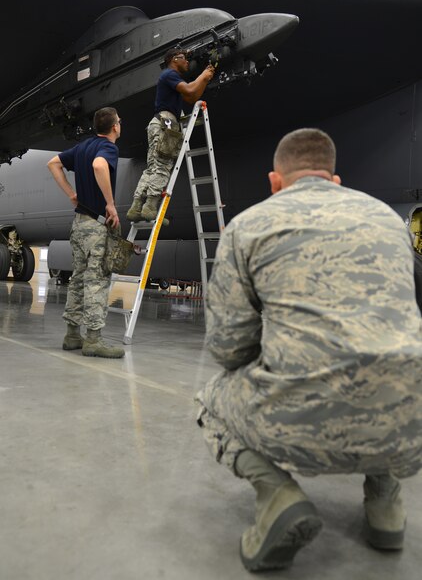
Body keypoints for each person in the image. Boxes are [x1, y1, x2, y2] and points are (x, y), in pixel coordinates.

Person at [195, 128, 422, 572]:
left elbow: (227, 348)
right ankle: (386, 509)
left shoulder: (247, 227)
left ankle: (278, 497)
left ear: (274, 182)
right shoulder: (388, 220)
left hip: (299, 428)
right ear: (336, 181)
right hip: (409, 426)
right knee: (384, 361)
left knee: (210, 403)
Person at [47, 107, 125, 359]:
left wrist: (71, 194)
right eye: (119, 122)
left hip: (79, 224)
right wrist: (110, 204)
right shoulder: (108, 148)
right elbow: (100, 166)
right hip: (96, 225)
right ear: (114, 127)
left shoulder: (82, 147)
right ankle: (93, 340)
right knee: (97, 281)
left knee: (78, 280)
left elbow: (53, 163)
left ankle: (72, 335)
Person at [126, 47, 215, 223]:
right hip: (165, 123)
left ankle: (136, 207)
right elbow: (190, 91)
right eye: (185, 59)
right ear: (174, 59)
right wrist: (204, 76)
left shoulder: (169, 78)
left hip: (158, 122)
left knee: (152, 167)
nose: (188, 62)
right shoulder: (170, 75)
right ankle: (150, 207)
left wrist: (204, 79)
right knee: (163, 166)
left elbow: (191, 97)